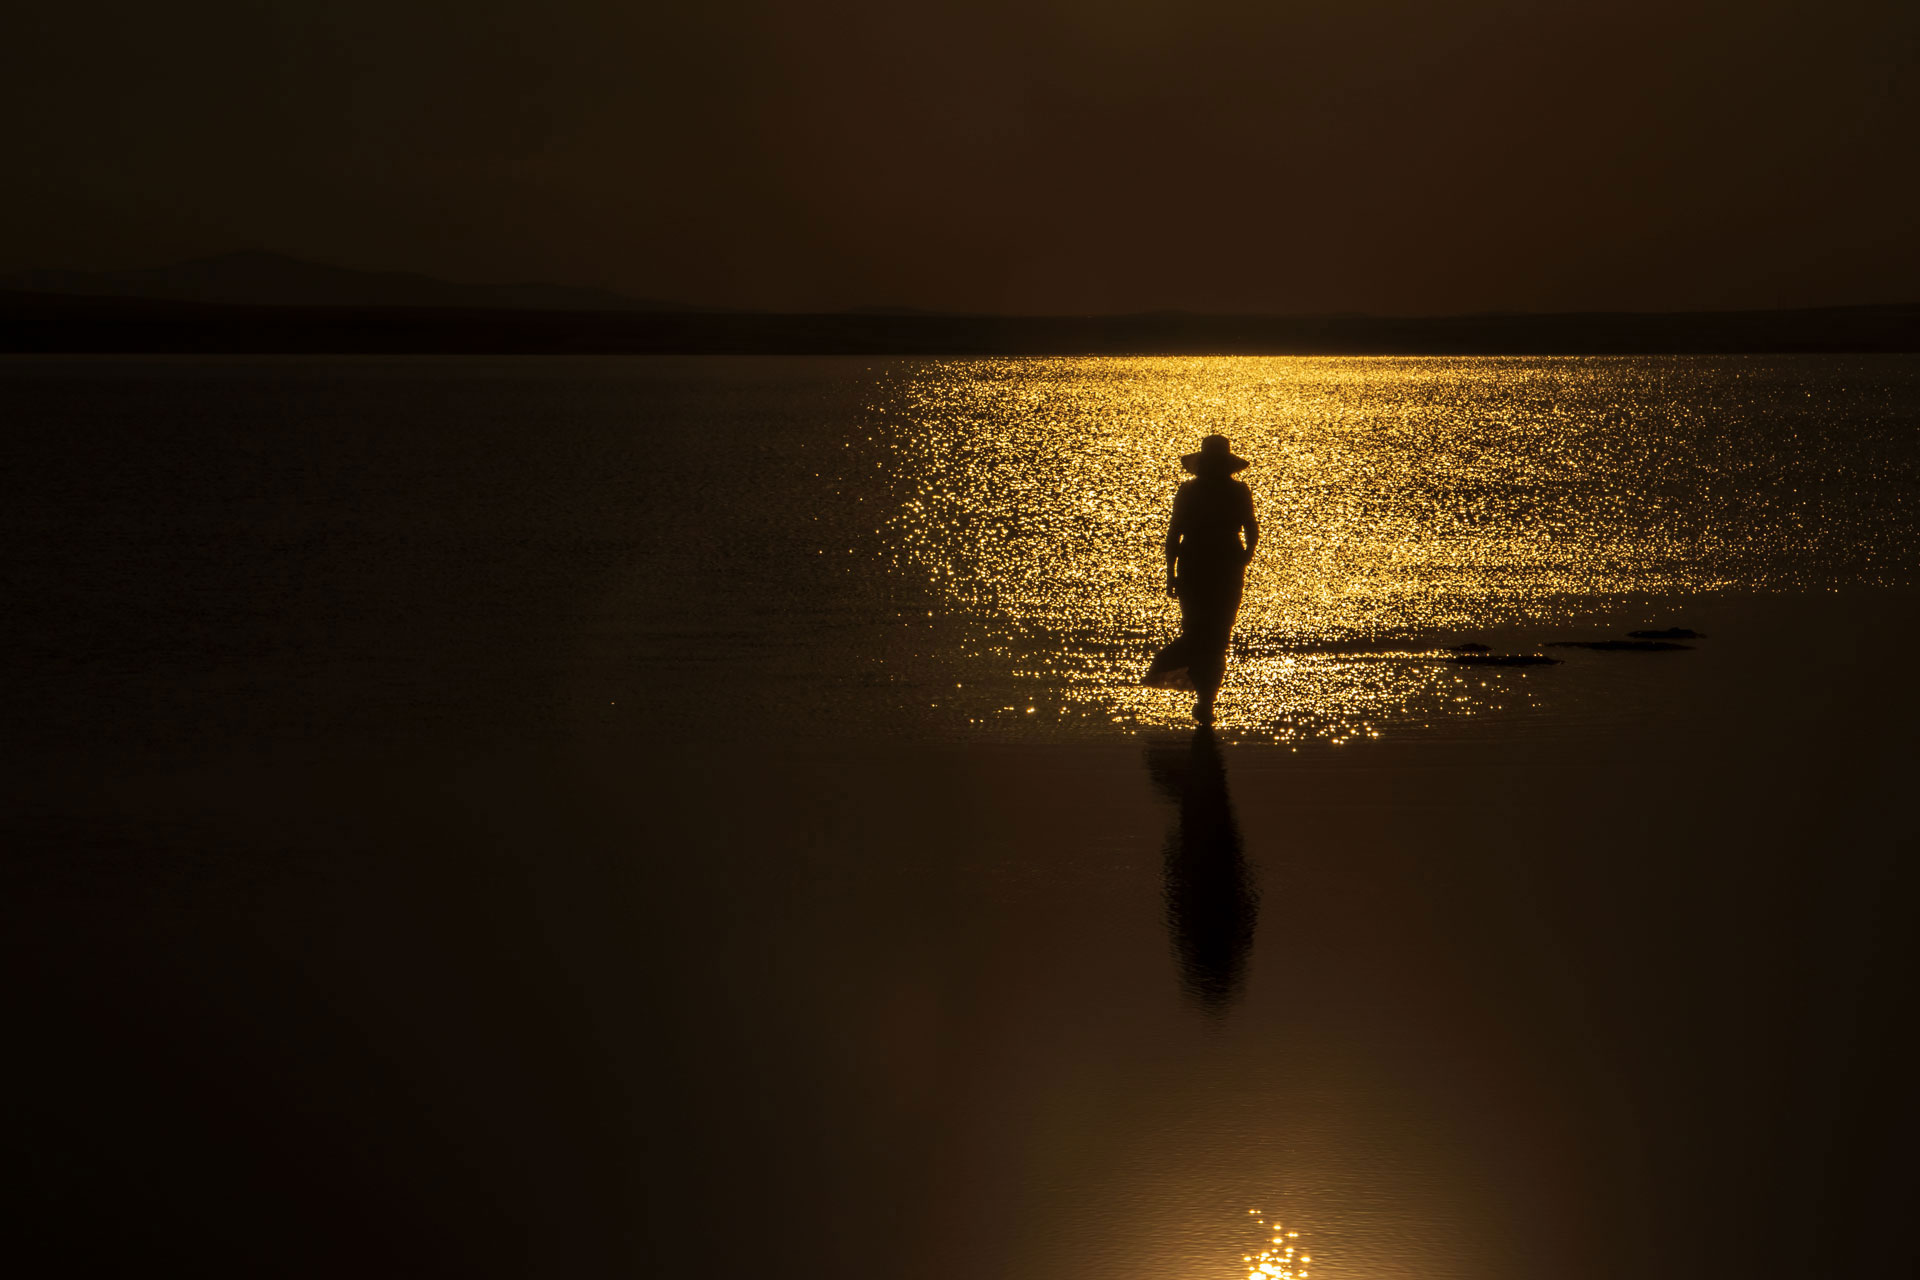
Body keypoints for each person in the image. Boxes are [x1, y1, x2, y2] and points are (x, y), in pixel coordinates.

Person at [1144, 434, 1259, 724]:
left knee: (1200, 630)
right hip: (1223, 562)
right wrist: (1245, 556)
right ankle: (1206, 700)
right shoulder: (1237, 491)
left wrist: (1171, 572)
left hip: (1197, 562)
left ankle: (1203, 697)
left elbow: (1174, 534)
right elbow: (1251, 529)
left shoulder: (1190, 491)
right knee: (1217, 633)